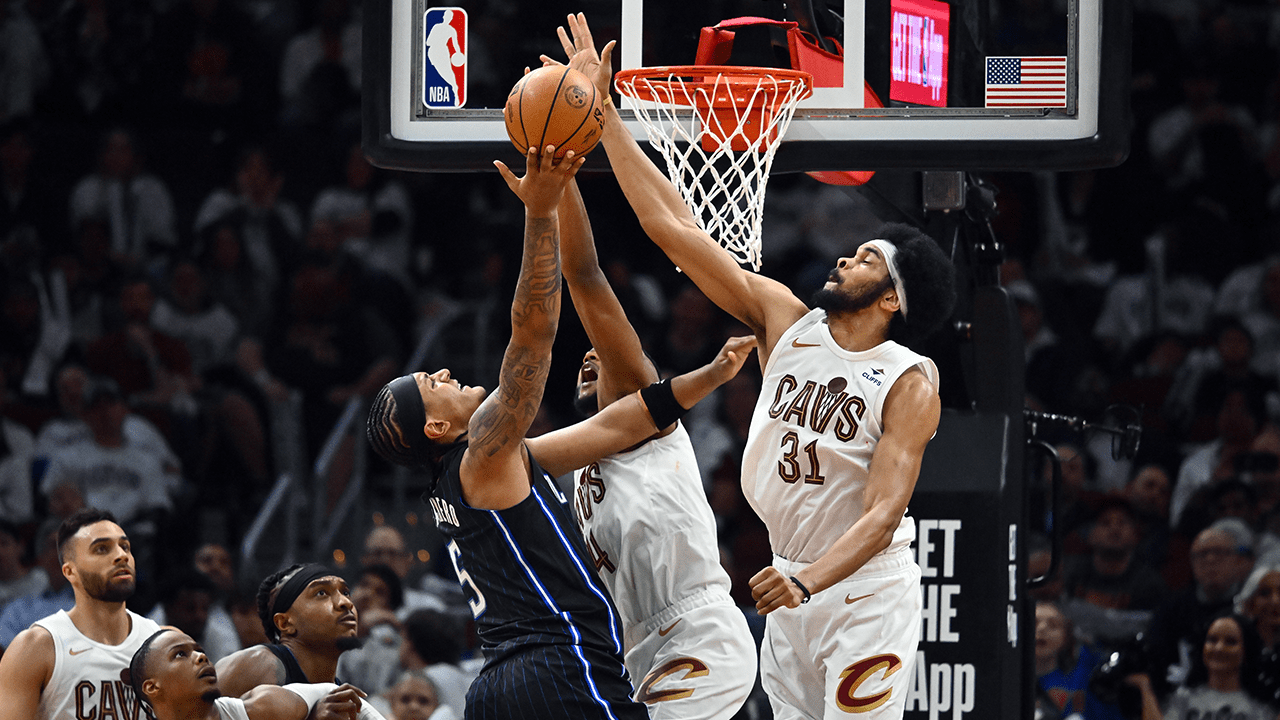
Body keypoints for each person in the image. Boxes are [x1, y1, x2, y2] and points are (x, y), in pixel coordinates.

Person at [555, 14, 957, 718]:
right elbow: (673, 227)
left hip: (864, 586)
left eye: (866, 258)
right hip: (789, 576)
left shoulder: (909, 377)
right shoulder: (786, 321)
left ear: (893, 298)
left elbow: (884, 510)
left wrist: (810, 583)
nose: (844, 257)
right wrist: (607, 116)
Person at [365, 145, 756, 720]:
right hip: (558, 664)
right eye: (432, 381)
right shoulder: (485, 453)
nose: (445, 372)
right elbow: (534, 331)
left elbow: (628, 417)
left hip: (550, 665)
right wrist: (541, 207)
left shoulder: (501, 465)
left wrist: (711, 375)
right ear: (436, 426)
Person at [557, 173, 757, 718]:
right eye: (583, 361)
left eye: (598, 357)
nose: (589, 358)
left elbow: (584, 275)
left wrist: (559, 181)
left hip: (695, 630)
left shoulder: (637, 412)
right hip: (639, 647)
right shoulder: (578, 464)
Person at [0, 508, 163, 720]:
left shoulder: (161, 642)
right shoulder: (34, 647)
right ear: (70, 571)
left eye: (125, 546)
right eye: (102, 549)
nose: (121, 556)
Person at [124, 627, 386, 720]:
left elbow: (335, 692)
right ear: (152, 687)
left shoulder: (260, 708)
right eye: (180, 654)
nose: (201, 656)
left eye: (198, 650)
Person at [213, 563, 358, 699]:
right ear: (285, 623)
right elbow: (194, 711)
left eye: (345, 592)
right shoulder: (257, 664)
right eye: (321, 593)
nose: (346, 602)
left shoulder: (342, 693)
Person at [1127, 612, 1280, 720]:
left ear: (1247, 651)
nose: (1219, 648)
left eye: (1231, 642)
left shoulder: (1260, 705)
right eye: (1212, 640)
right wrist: (1145, 687)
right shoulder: (1182, 698)